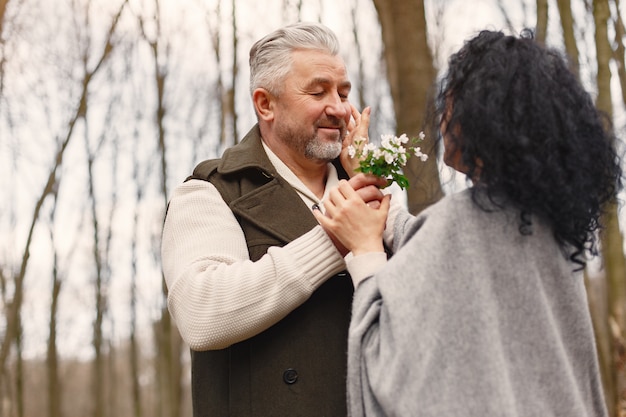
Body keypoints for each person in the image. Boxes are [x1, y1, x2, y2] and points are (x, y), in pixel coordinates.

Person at [314, 29, 622, 416]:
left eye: (452, 98)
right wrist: (363, 173)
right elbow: (432, 248)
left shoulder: (461, 223)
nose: (443, 111)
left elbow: (393, 372)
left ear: (483, 114)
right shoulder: (550, 232)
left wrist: (365, 250)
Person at [161, 22, 387, 417]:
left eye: (344, 92)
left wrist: (371, 186)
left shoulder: (378, 189)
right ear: (265, 104)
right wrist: (333, 240)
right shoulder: (211, 191)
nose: (338, 107)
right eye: (318, 92)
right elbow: (201, 314)